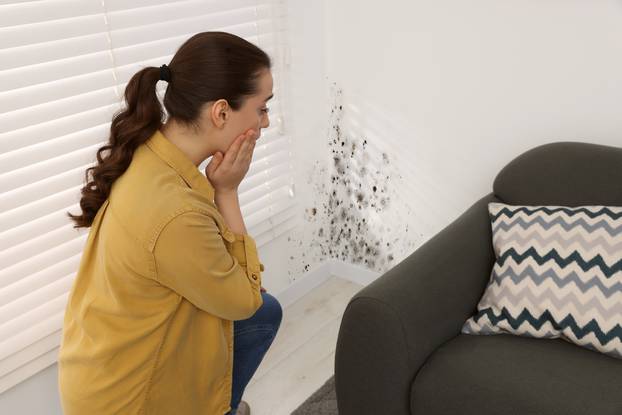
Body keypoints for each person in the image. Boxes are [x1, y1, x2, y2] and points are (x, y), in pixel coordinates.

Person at [58, 31, 283, 415]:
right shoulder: (176, 212)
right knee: (258, 308)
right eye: (262, 108)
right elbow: (244, 300)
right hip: (128, 401)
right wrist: (226, 192)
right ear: (222, 112)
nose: (265, 122)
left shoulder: (150, 151)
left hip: (93, 367)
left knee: (267, 310)